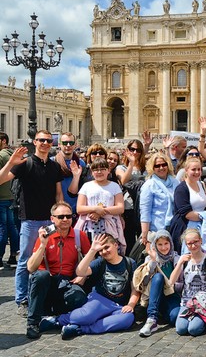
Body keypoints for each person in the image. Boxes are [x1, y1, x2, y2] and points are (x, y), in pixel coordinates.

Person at [0, 131, 64, 317]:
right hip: (29, 220)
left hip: (49, 220)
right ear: (34, 142)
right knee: (25, 260)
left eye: (48, 140)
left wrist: (59, 215)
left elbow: (58, 193)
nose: (45, 143)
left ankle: (45, 295)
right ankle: (22, 299)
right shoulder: (24, 163)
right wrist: (12, 161)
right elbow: (1, 179)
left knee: (50, 258)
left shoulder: (54, 167)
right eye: (41, 140)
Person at [25, 201, 91, 339]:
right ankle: (33, 323)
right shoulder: (45, 236)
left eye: (69, 216)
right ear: (52, 219)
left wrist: (83, 276)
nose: (66, 219)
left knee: (79, 298)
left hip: (68, 282)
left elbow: (91, 260)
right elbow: (31, 267)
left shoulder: (80, 236)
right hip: (47, 282)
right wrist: (43, 244)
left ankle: (58, 319)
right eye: (61, 217)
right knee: (40, 276)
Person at [56, 233, 140, 340]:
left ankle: (79, 329)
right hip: (99, 301)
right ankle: (58, 320)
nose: (104, 252)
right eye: (101, 250)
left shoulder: (129, 263)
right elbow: (80, 272)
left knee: (128, 318)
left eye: (106, 247)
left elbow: (135, 289)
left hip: (118, 306)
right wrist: (92, 250)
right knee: (85, 316)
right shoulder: (100, 263)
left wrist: (130, 305)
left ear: (116, 245)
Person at [168, 228, 206, 337]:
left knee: (193, 330)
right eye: (189, 243)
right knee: (181, 329)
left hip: (202, 303)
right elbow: (171, 281)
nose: (193, 245)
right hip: (186, 302)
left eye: (195, 242)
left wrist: (200, 301)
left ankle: (205, 321)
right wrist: (180, 262)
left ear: (200, 241)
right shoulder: (184, 260)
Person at [134, 230, 181, 337]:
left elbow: (180, 282)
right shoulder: (149, 258)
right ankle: (152, 319)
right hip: (155, 294)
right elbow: (145, 282)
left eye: (166, 244)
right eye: (160, 244)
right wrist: (154, 261)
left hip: (171, 294)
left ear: (171, 244)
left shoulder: (176, 258)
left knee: (174, 318)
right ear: (155, 245)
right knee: (158, 277)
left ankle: (161, 313)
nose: (163, 247)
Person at [75, 158, 126, 254]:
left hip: (109, 226)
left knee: (109, 251)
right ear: (92, 172)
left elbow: (120, 208)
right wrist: (95, 209)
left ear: (108, 170)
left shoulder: (114, 186)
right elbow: (80, 208)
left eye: (102, 169)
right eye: (95, 169)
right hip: (90, 226)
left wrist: (100, 212)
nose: (99, 172)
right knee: (90, 253)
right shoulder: (86, 186)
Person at [170, 157, 206, 254]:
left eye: (199, 169)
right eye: (193, 169)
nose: (197, 172)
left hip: (203, 225)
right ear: (186, 171)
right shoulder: (181, 189)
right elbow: (187, 214)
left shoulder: (202, 184)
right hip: (186, 227)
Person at [139, 153, 179, 245]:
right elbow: (145, 212)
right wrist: (145, 234)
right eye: (157, 166)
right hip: (157, 229)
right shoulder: (149, 185)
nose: (161, 168)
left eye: (164, 164)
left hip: (174, 226)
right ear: (152, 168)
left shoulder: (175, 182)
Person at [53, 132, 86, 214]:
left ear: (75, 145)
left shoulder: (81, 164)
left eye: (71, 143)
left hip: (76, 208)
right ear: (59, 144)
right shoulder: (52, 162)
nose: (68, 145)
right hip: (56, 209)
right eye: (65, 143)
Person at [0, 132, 18, 269]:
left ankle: (0, 258)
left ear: (3, 141)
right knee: (12, 228)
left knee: (2, 228)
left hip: (1, 196)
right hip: (11, 196)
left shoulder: (1, 156)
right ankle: (12, 256)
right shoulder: (12, 155)